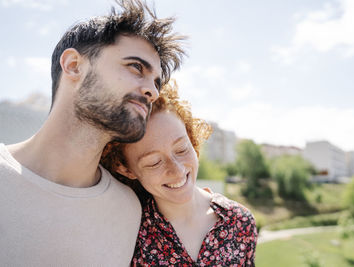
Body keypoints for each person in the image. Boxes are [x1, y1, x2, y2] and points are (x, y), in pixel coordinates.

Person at [0, 0, 185, 266]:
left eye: (156, 82)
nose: (153, 92)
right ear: (74, 65)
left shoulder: (128, 210)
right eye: (136, 67)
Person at [101, 82, 258, 266]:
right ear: (125, 168)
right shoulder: (127, 235)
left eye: (182, 149)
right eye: (154, 162)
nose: (177, 170)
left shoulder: (240, 222)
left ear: (191, 139)